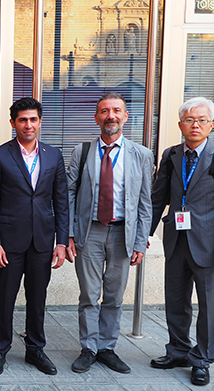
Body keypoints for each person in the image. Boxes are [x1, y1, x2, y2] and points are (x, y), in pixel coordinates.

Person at [149, 97, 214, 386]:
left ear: (211, 125)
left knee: (208, 305)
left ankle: (202, 359)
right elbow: (158, 198)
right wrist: (145, 235)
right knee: (176, 301)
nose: (196, 125)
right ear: (180, 125)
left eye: (202, 120)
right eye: (190, 120)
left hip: (210, 245)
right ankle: (178, 350)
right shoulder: (171, 155)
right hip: (176, 240)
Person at [65, 92, 154, 374]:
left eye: (116, 111)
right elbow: (68, 194)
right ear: (97, 118)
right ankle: (89, 348)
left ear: (125, 116)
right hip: (89, 233)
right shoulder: (81, 152)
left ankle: (107, 348)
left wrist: (141, 240)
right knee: (89, 296)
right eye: (104, 111)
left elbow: (145, 202)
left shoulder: (141, 154)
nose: (110, 116)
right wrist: (67, 234)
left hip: (122, 234)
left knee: (114, 296)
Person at [0, 97, 69, 377]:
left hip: (42, 241)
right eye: (22, 120)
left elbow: (61, 202)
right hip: (8, 242)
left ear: (40, 122)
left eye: (33, 119)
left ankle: (35, 349)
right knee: (4, 297)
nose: (28, 124)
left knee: (37, 298)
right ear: (13, 123)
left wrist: (62, 242)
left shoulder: (54, 155)